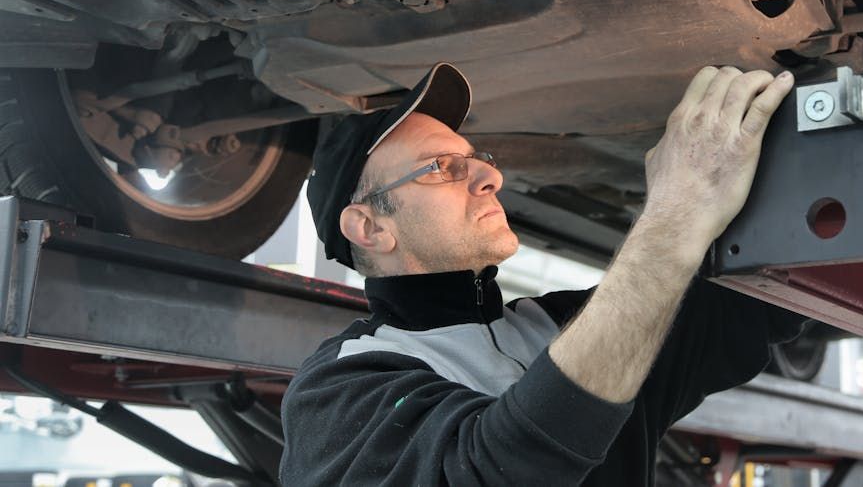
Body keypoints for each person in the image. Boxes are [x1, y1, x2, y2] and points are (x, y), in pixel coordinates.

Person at [281, 62, 803, 485]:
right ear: (369, 228)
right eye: (443, 167)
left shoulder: (564, 325)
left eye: (476, 159)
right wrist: (675, 212)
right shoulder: (341, 389)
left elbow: (757, 298)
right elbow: (501, 469)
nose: (491, 175)